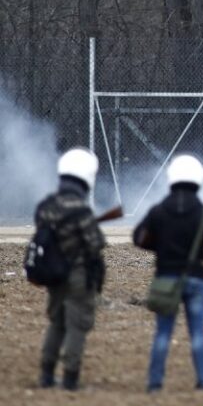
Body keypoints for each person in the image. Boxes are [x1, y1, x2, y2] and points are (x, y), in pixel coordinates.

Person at [133, 154, 203, 392]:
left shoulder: (158, 211)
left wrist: (158, 247)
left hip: (166, 278)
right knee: (198, 333)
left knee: (162, 334)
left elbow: (137, 237)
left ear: (171, 179)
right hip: (196, 279)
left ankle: (155, 383)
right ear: (198, 179)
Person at [36, 147, 106, 391]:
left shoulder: (46, 206)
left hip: (54, 273)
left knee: (56, 323)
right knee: (77, 326)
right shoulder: (81, 209)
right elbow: (95, 243)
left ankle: (45, 374)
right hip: (78, 275)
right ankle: (70, 378)